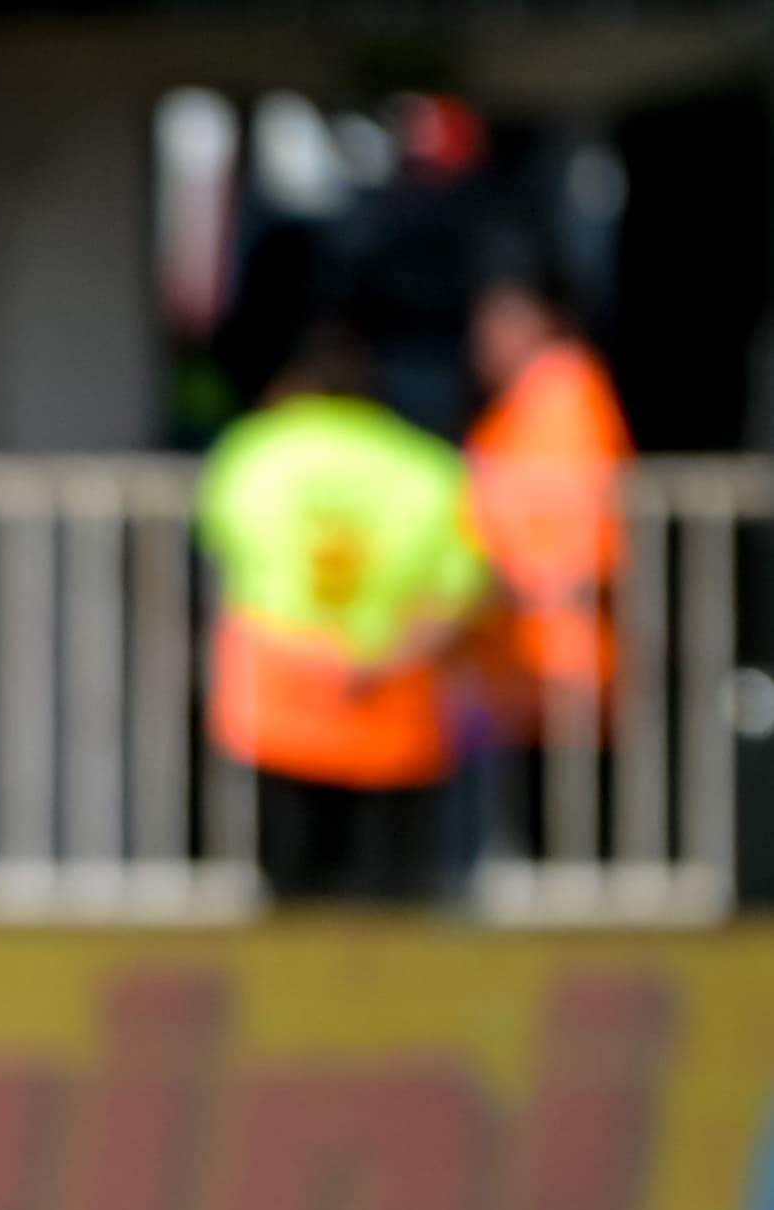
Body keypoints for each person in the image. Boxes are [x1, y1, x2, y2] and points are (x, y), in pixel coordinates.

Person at [196, 326, 490, 901]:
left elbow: (224, 560)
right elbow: (459, 592)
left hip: (281, 699)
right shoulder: (427, 465)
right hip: (391, 699)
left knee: (291, 897)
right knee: (390, 902)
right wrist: (377, 660)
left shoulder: (254, 451)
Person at [463, 268, 632, 859]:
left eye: (503, 323)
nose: (487, 341)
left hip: (560, 641)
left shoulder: (564, 393)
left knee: (571, 828)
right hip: (525, 647)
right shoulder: (529, 402)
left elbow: (575, 523)